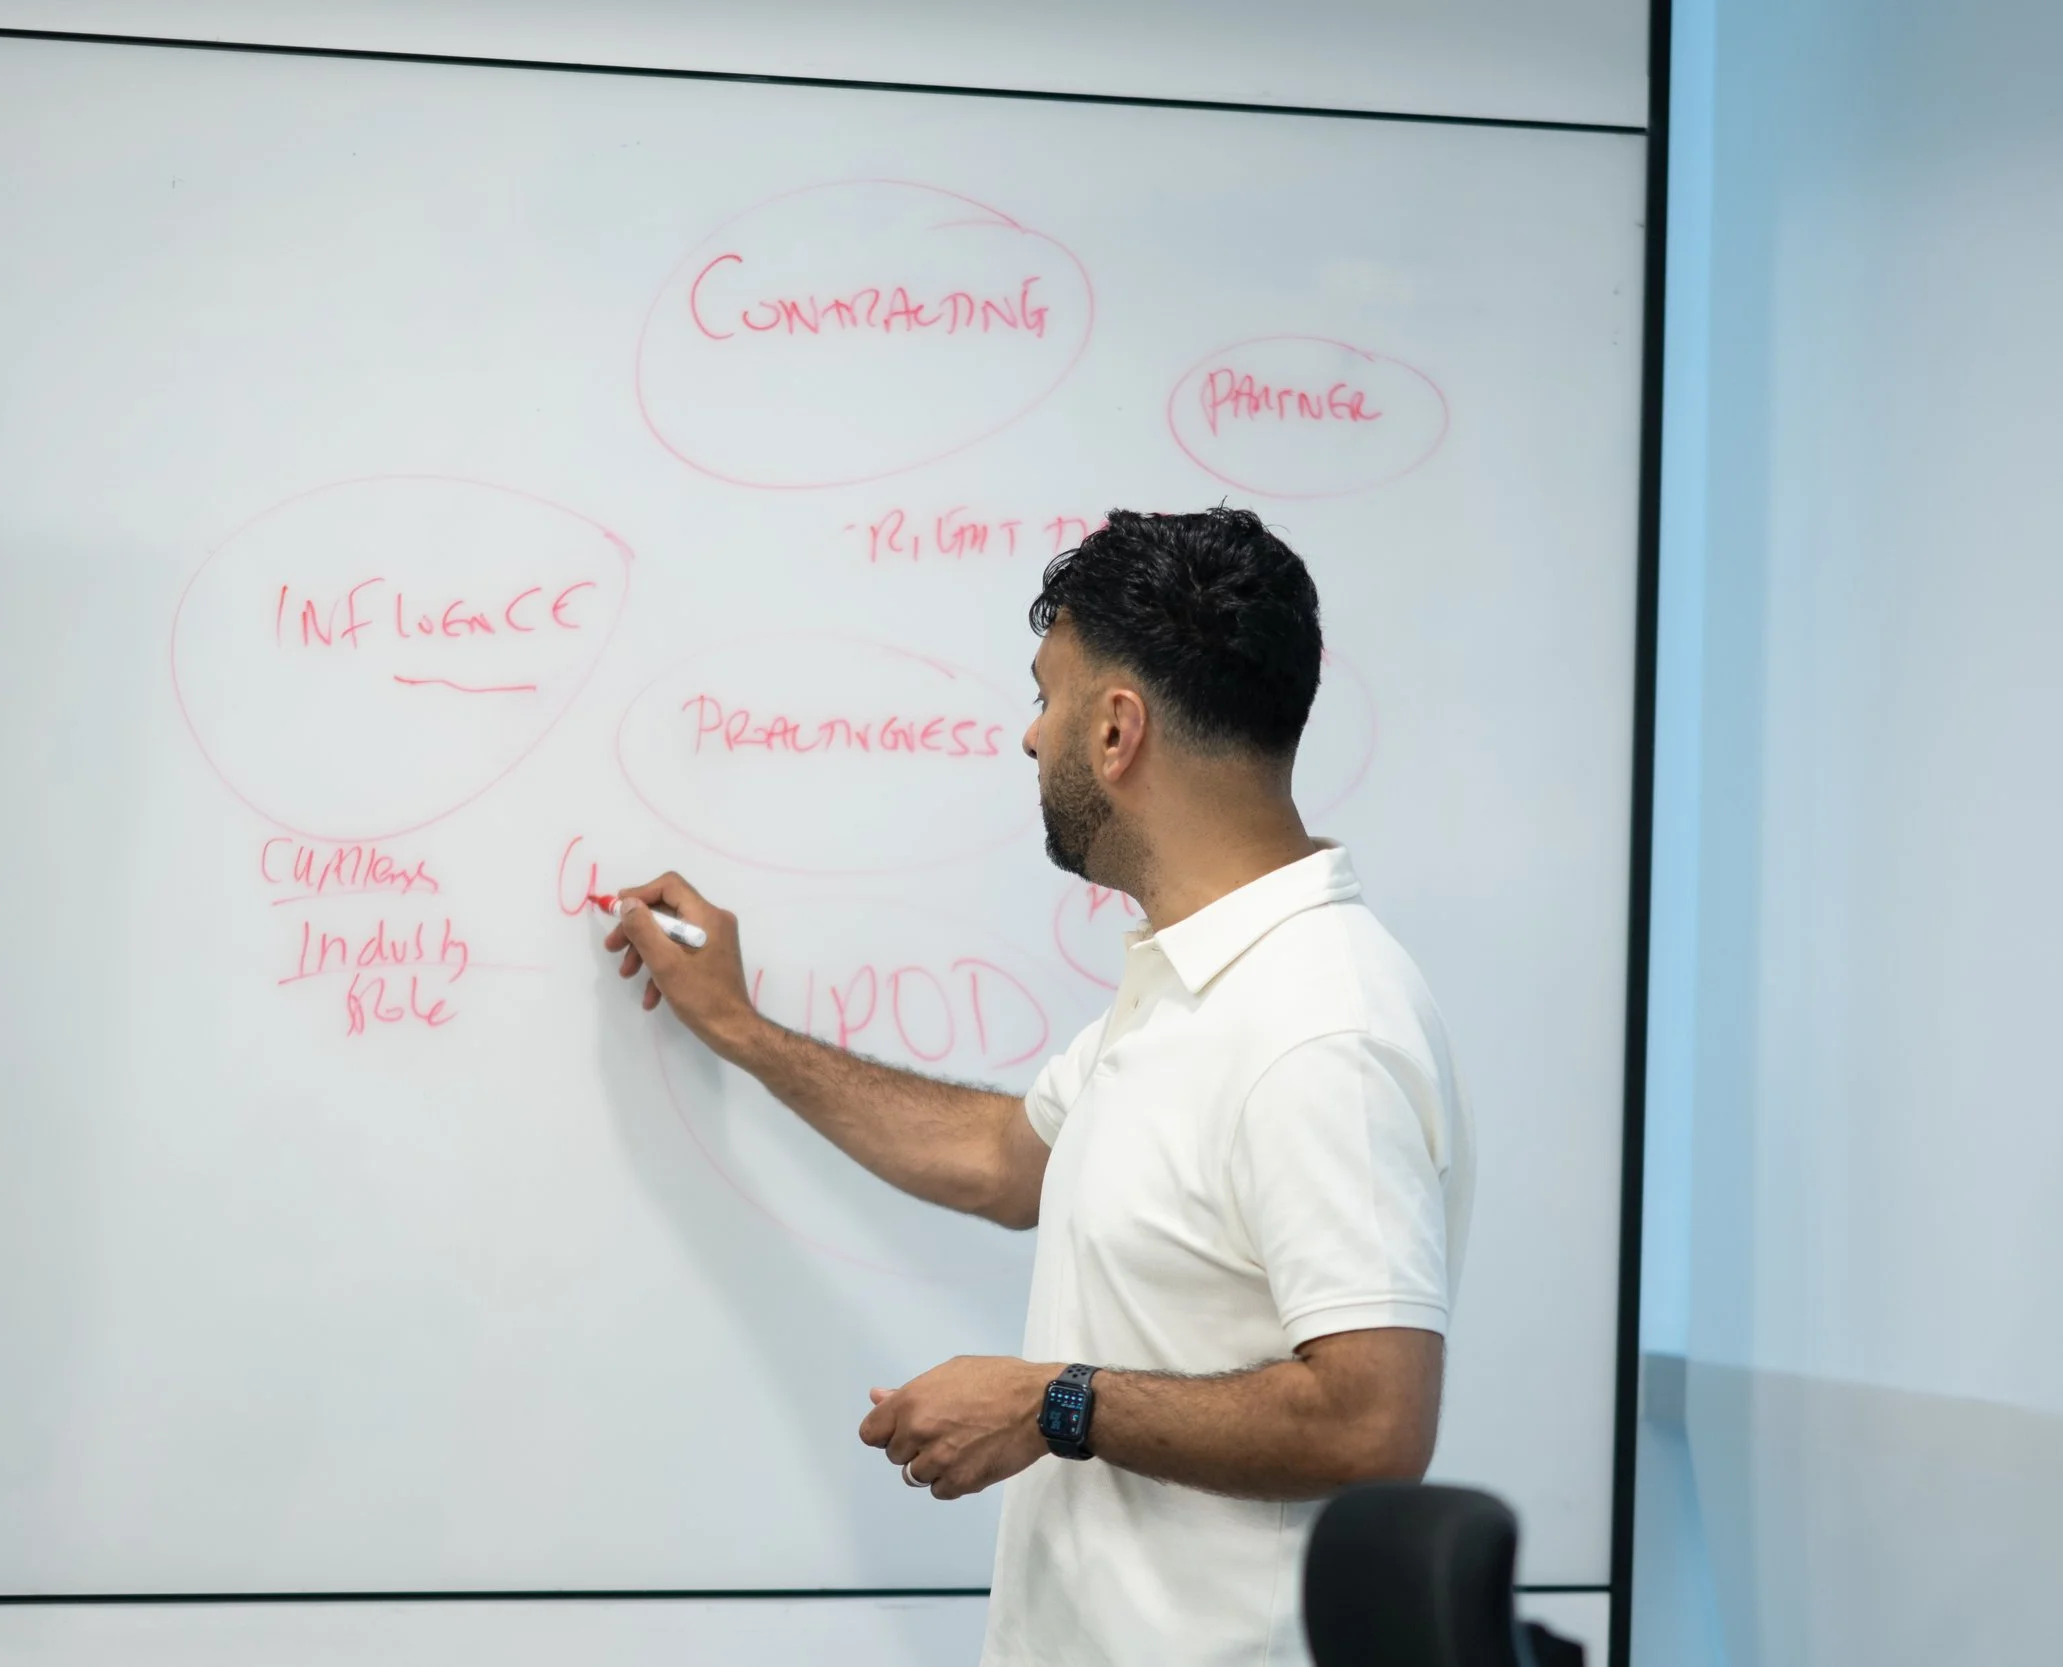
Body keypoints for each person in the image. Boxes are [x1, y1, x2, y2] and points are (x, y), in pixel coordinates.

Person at [602, 506, 1473, 1667]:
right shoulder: (1189, 983)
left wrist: (1051, 1400)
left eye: (1045, 695)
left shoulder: (1319, 1023)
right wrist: (744, 1030)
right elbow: (1005, 1157)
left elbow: (1372, 1420)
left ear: (1116, 728)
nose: (1028, 736)